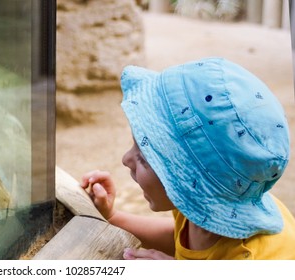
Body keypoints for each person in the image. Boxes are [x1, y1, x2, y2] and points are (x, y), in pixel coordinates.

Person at [81, 57, 295, 260]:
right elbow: (181, 237)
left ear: (192, 189)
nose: (125, 159)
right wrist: (113, 217)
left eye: (144, 159)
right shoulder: (202, 207)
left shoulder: (250, 260)